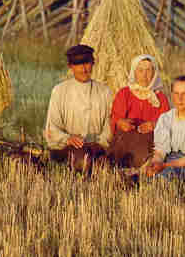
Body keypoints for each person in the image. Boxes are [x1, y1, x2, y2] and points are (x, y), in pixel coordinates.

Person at [44, 44, 113, 173]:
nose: (83, 69)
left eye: (87, 63)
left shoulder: (105, 91)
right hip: (67, 149)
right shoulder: (59, 91)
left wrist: (99, 143)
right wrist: (68, 139)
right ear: (70, 67)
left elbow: (109, 127)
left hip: (97, 150)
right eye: (78, 64)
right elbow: (52, 128)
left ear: (93, 63)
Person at [108, 54, 170, 170]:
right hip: (127, 140)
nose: (144, 75)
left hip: (149, 142)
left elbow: (167, 123)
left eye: (148, 70)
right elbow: (115, 117)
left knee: (148, 157)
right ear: (134, 72)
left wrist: (154, 125)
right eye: (140, 70)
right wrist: (121, 123)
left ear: (154, 73)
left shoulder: (160, 97)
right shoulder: (124, 93)